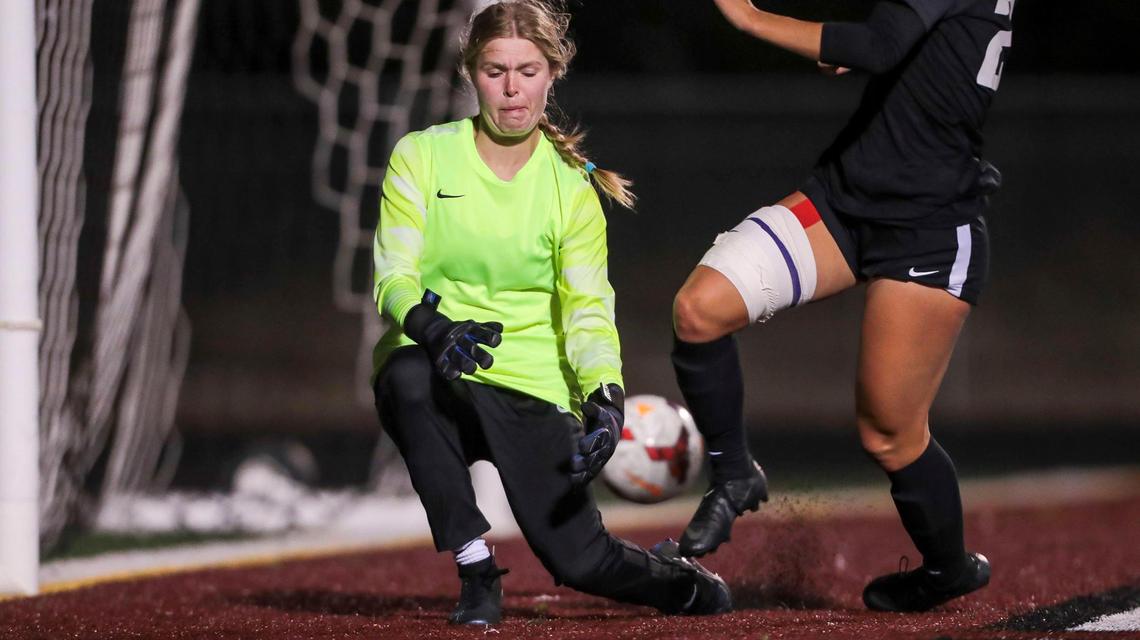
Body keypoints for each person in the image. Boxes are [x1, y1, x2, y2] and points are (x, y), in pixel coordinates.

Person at [371, 0, 731, 625]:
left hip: (534, 388)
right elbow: (392, 275)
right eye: (495, 71)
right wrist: (432, 328)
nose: (512, 88)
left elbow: (588, 308)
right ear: (471, 73)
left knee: (581, 562)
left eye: (528, 70)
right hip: (445, 368)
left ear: (553, 74)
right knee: (405, 377)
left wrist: (605, 395)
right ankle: (476, 567)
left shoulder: (570, 188)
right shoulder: (421, 156)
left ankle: (683, 584)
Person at [671, 0, 1013, 612]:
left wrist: (749, 17)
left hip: (927, 229)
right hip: (844, 199)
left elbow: (879, 45)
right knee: (699, 310)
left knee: (889, 435)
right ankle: (734, 473)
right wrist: (869, 47)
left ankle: (948, 569)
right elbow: (896, 45)